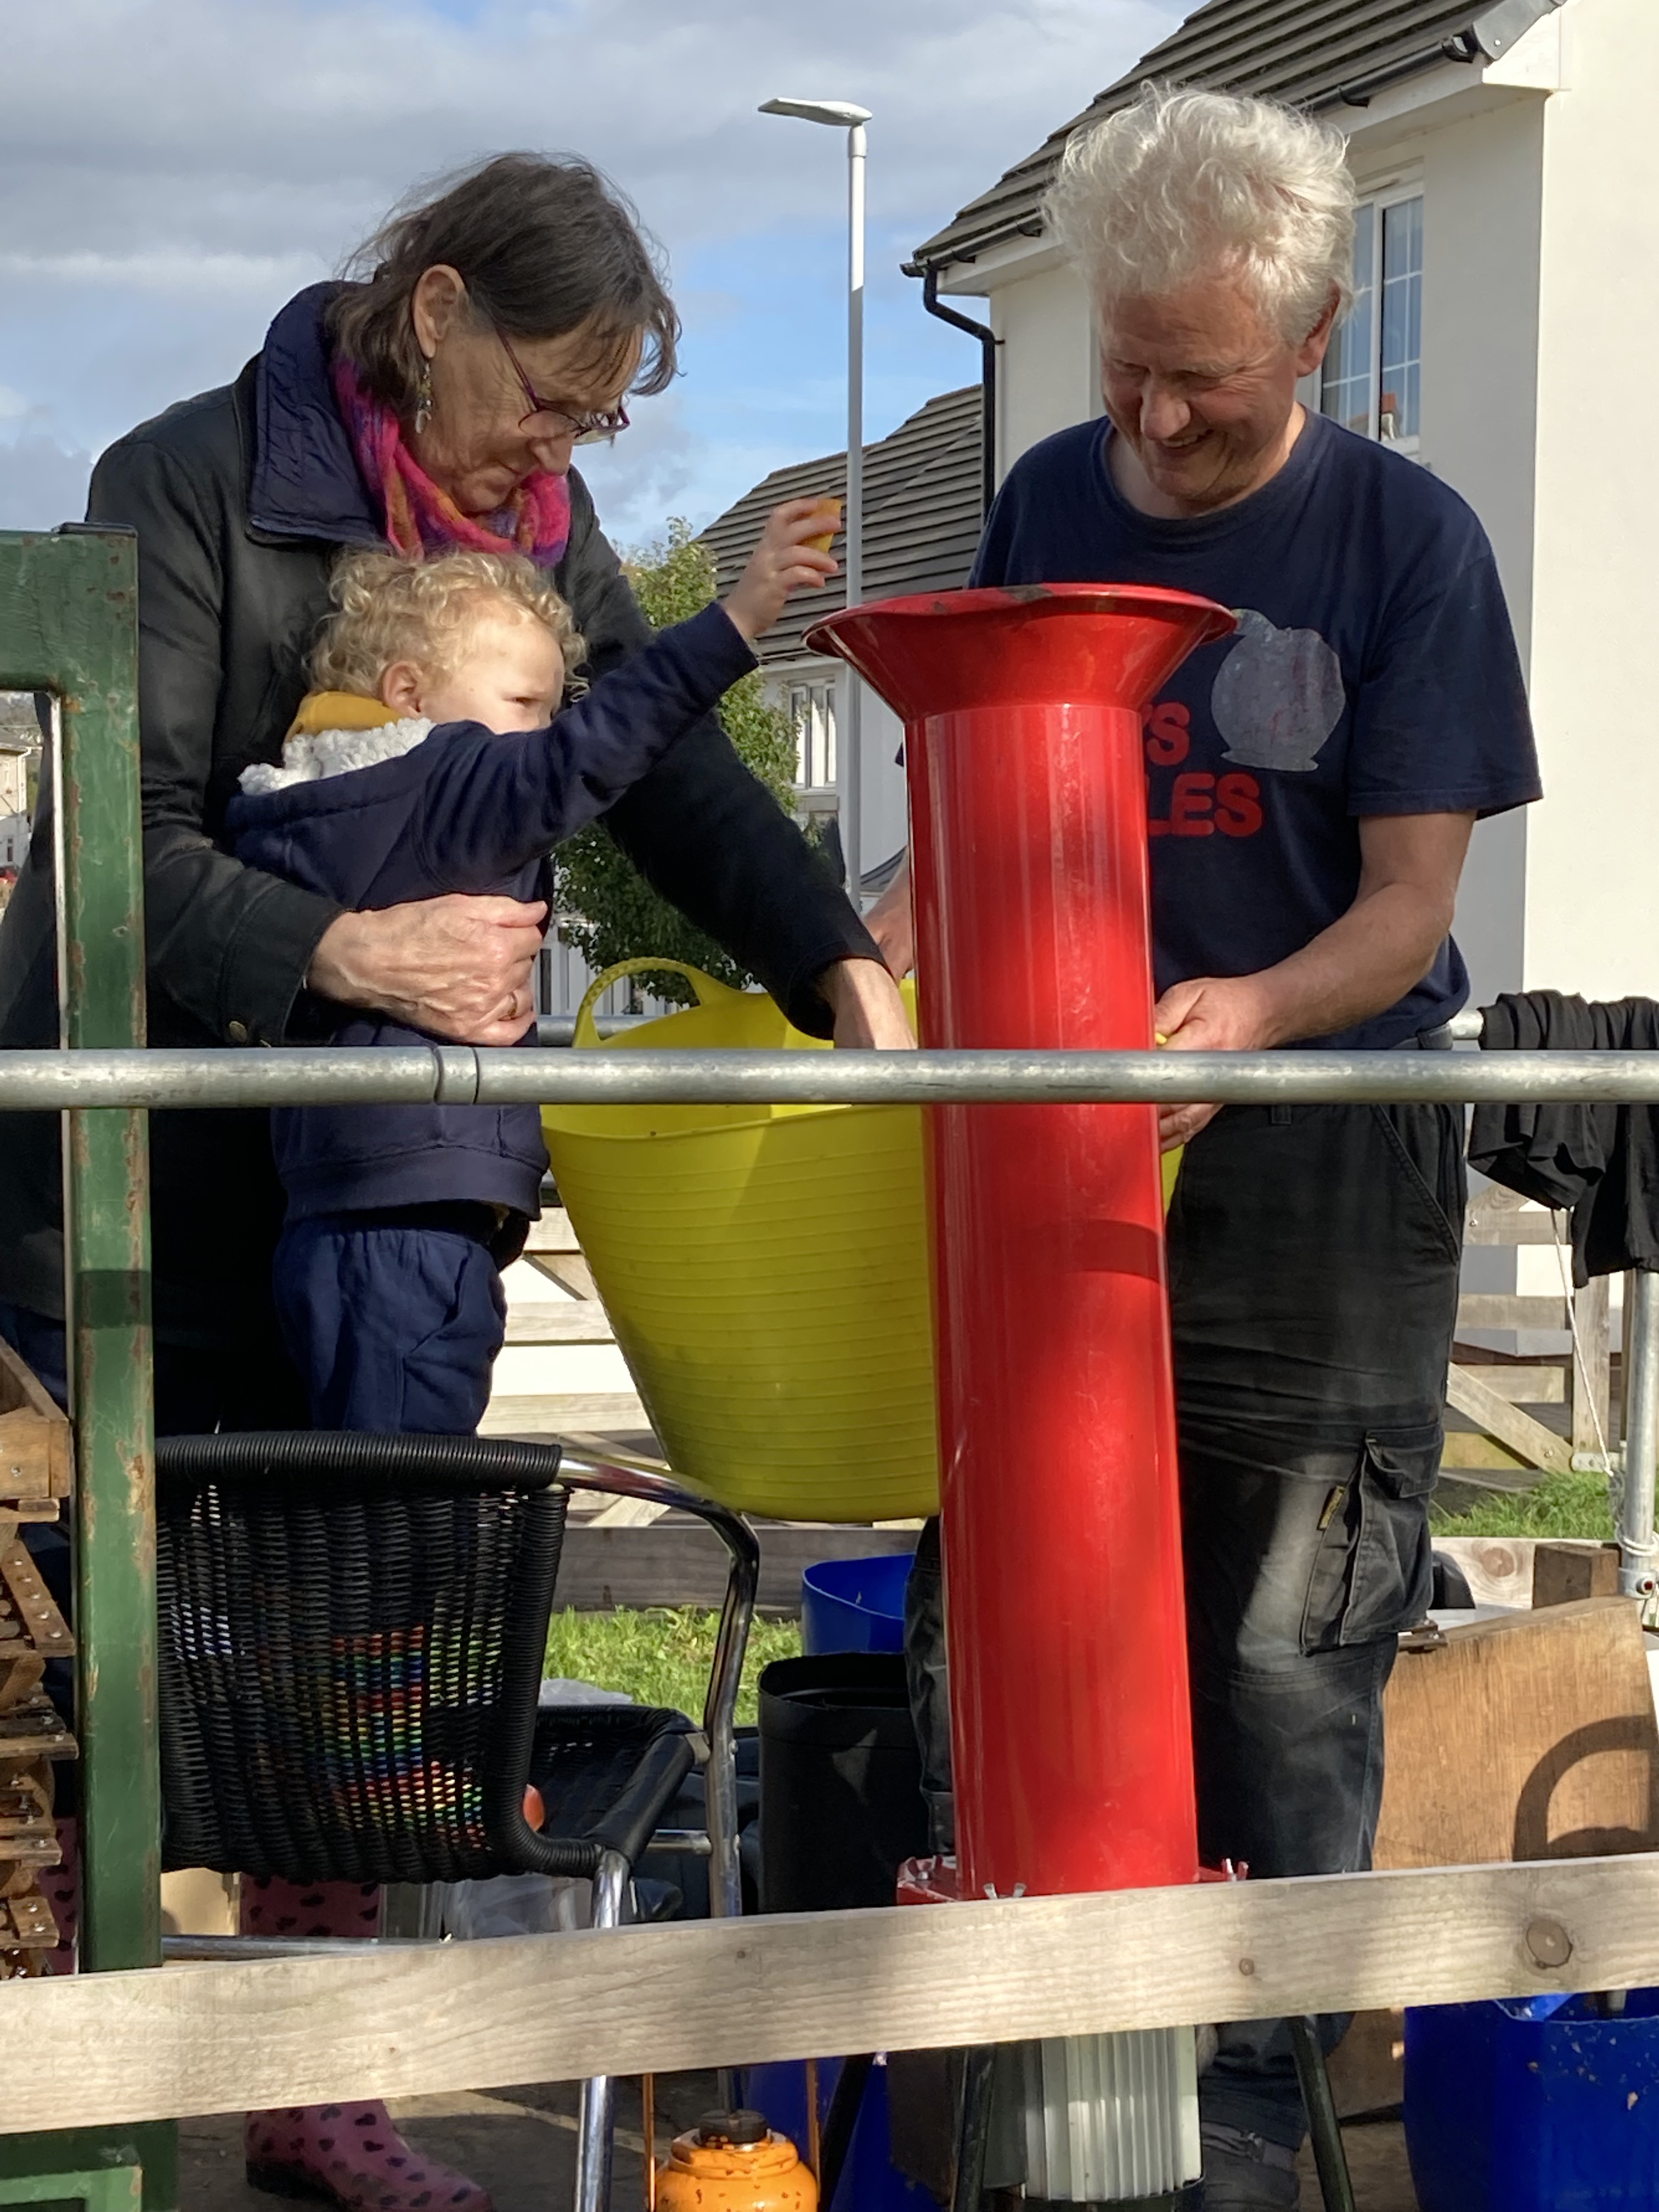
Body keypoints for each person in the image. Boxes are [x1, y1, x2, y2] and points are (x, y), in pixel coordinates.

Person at [0, 151, 909, 2212]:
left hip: (363, 1193)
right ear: (433, 314)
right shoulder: (182, 485)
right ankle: (61, 2103)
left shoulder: (540, 534)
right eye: (544, 401)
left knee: (348, 1661)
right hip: (140, 1203)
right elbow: (126, 833)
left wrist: (835, 961)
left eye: (595, 425)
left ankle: (311, 2089)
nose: (557, 456)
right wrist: (345, 951)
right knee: (81, 1680)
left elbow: (663, 776)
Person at [873, 86, 1541, 2210]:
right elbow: (962, 799)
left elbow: (1407, 916)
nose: (1154, 423)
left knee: (1279, 1650)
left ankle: (1251, 2107)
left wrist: (1245, 1019)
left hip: (1319, 1154)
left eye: (1207, 381)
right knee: (1010, 1623)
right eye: (1127, 368)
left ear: (1319, 336)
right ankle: (1014, 2079)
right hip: (1055, 1148)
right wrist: (872, 952)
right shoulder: (1047, 495)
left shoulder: (1408, 546)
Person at [233, 507, 836, 1432]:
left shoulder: (308, 802)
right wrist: (738, 621)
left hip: (328, 1204)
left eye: (552, 710)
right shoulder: (447, 780)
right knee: (416, 1477)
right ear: (409, 694)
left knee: (342, 1468)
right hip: (424, 1202)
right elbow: (588, 757)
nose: (544, 731)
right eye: (524, 705)